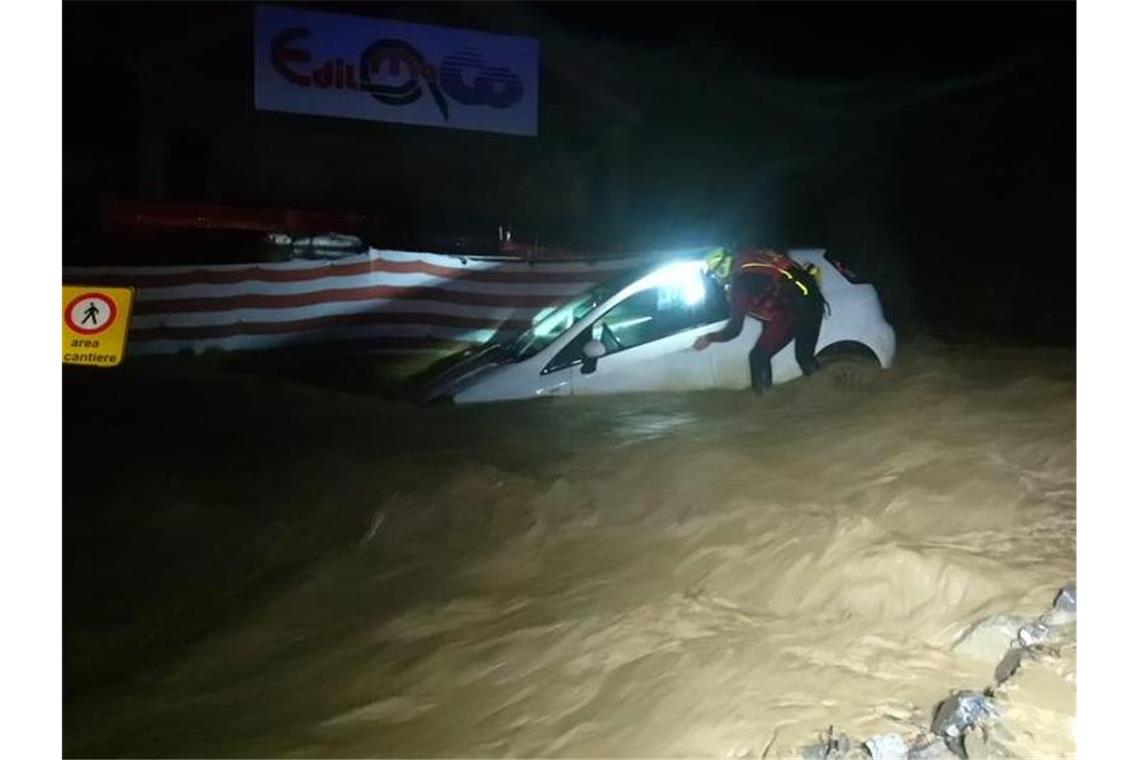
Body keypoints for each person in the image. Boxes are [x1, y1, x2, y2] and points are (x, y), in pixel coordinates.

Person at [693, 245, 827, 394]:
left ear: (723, 266)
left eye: (715, 273)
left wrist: (709, 338)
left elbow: (734, 330)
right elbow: (771, 299)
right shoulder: (754, 259)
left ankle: (764, 404)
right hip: (814, 303)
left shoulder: (740, 285)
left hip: (791, 312)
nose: (716, 278)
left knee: (758, 357)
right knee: (805, 357)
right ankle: (830, 392)